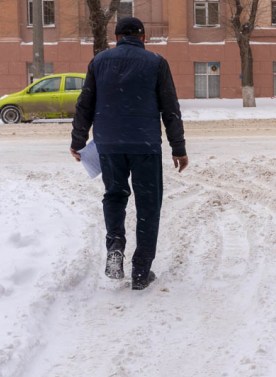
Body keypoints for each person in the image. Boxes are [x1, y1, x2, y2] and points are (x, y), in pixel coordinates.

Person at [70, 17, 188, 290]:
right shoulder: (156, 62)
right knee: (148, 204)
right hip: (145, 145)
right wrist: (178, 147)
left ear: (116, 38)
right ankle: (140, 271)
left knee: (114, 195)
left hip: (109, 144)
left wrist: (78, 141)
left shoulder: (99, 62)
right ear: (143, 37)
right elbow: (170, 108)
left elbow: (84, 104)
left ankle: (115, 244)